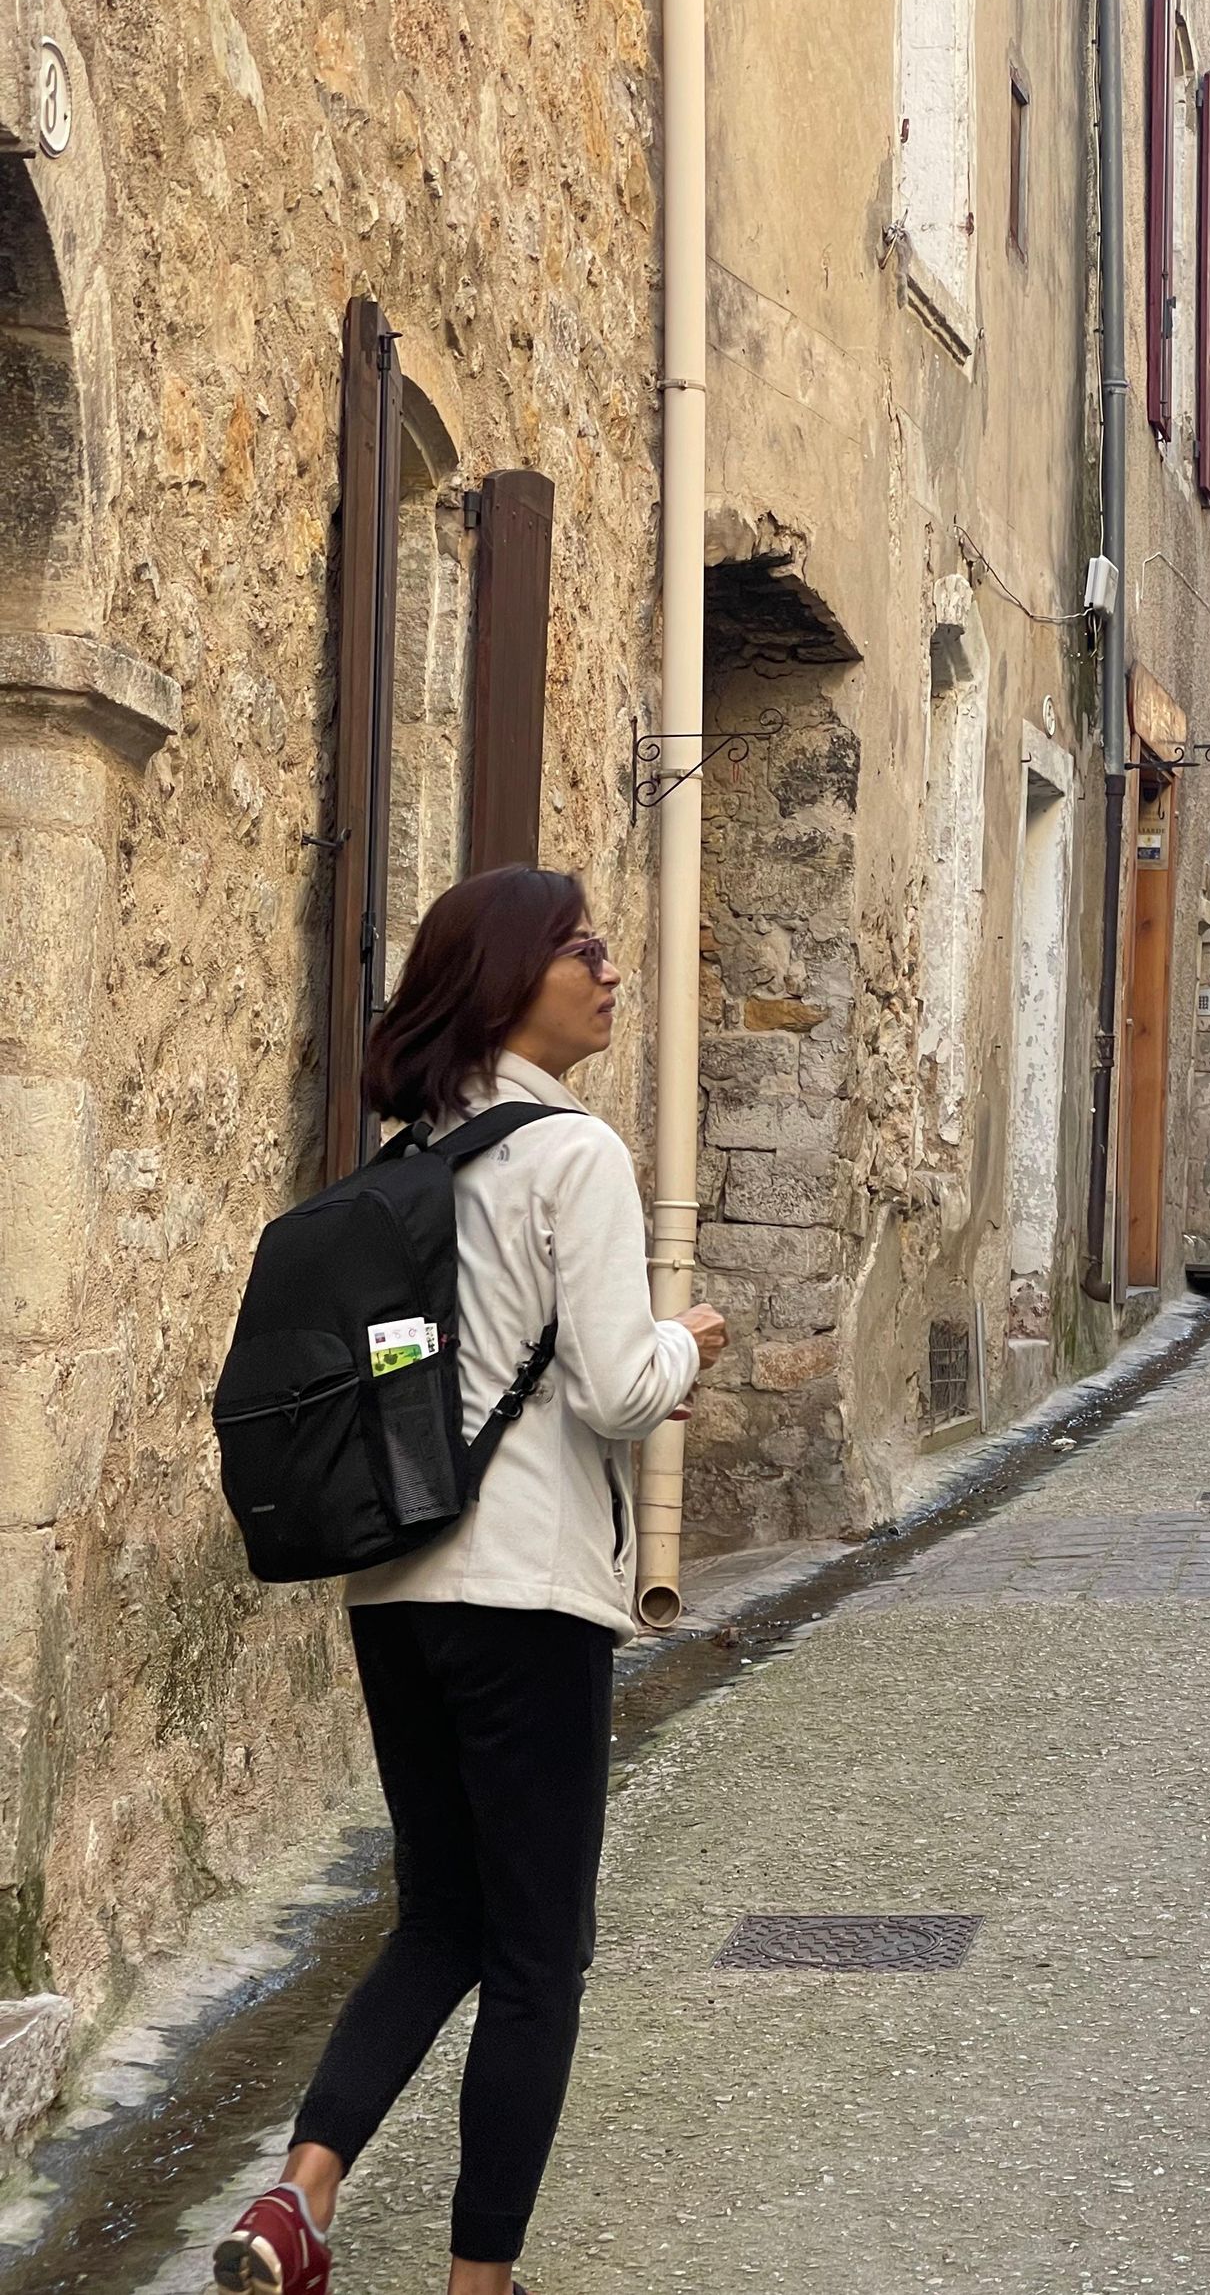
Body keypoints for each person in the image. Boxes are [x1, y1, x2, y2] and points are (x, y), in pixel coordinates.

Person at [210, 866, 728, 2295]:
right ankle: (477, 2283)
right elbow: (623, 1390)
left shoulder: (413, 1160)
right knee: (538, 1956)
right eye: (585, 949)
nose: (613, 970)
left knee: (439, 1913)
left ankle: (297, 2201)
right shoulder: (576, 1154)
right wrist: (692, 1337)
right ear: (511, 981)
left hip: (396, 1595)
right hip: (531, 1591)